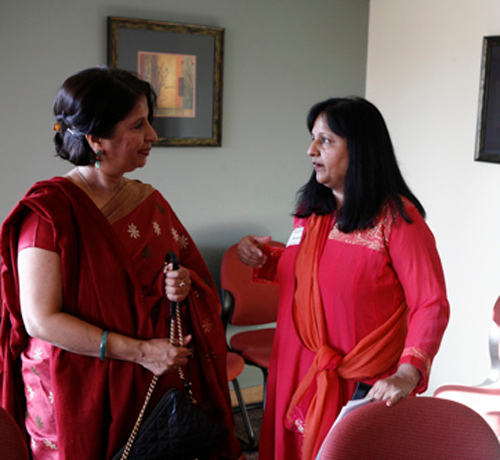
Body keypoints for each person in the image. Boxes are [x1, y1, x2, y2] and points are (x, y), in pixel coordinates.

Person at [0, 67, 241, 459]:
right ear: (97, 139)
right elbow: (40, 320)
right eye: (138, 125)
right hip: (77, 387)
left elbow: (183, 275)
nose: (152, 136)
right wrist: (141, 352)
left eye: (150, 122)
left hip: (149, 385)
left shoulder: (149, 201)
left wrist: (180, 285)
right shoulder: (49, 214)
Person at [238, 97, 450, 460]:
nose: (311, 150)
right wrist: (262, 257)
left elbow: (430, 303)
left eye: (326, 140)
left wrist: (408, 372)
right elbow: (309, 271)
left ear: (362, 149)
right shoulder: (312, 212)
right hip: (297, 364)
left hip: (359, 380)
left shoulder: (398, 220)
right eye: (312, 138)